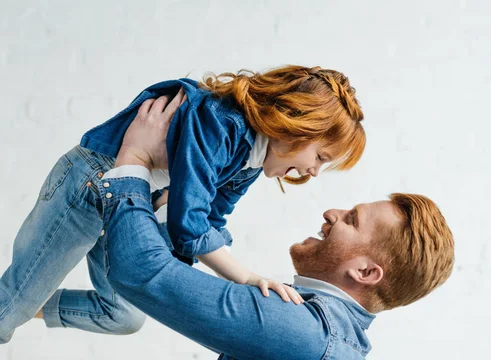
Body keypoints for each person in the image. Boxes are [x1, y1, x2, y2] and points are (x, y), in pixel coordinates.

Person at [0, 66, 365, 343]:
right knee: (6, 315)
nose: (314, 172)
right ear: (295, 125)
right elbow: (189, 224)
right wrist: (248, 278)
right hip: (90, 183)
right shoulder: (221, 124)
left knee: (124, 317)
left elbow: (210, 219)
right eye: (320, 156)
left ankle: (21, 303)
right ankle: (13, 305)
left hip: (128, 201)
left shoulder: (249, 163)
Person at [95, 98, 455, 359]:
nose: (332, 212)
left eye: (351, 220)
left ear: (365, 271)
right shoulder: (328, 338)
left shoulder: (305, 333)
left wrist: (134, 162)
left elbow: (142, 271)